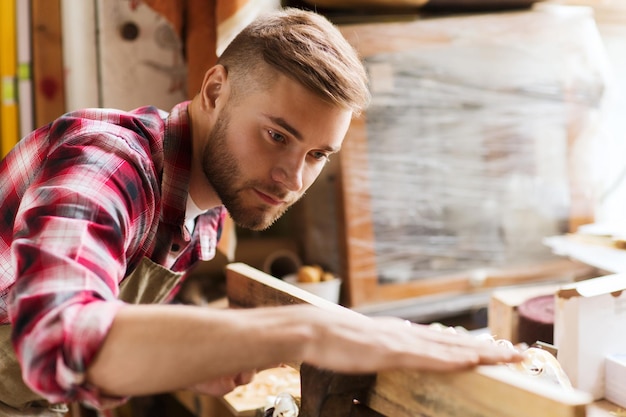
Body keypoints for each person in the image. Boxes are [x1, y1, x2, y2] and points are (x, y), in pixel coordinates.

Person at [0, 7, 522, 415]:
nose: (292, 179)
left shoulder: (217, 195)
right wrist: (314, 331)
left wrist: (186, 363)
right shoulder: (110, 163)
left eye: (317, 155)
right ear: (214, 90)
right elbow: (56, 339)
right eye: (276, 135)